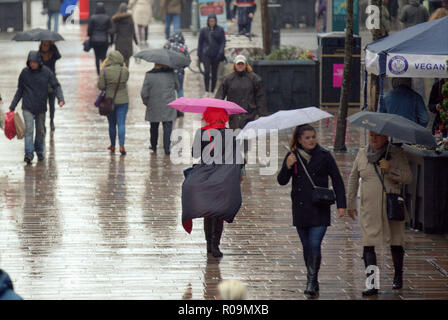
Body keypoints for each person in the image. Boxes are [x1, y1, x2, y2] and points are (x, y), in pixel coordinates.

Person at [277, 124, 346, 298]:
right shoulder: (292, 156)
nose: (311, 140)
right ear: (299, 139)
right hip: (300, 209)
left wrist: (341, 205)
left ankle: (310, 281)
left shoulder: (325, 156)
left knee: (315, 244)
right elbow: (282, 181)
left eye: (313, 137)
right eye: (307, 138)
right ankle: (313, 279)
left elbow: (337, 179)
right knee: (307, 246)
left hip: (320, 208)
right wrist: (287, 166)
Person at [347, 131, 412, 296]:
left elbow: (408, 177)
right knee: (368, 244)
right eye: (371, 136)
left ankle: (398, 276)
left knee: (396, 242)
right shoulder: (362, 153)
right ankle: (372, 283)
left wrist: (390, 170)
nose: (373, 139)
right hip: (369, 209)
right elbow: (353, 178)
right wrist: (350, 202)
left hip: (392, 207)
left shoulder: (396, 154)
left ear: (386, 137)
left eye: (377, 136)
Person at [190, 107, 243, 258]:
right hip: (223, 175)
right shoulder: (229, 134)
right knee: (219, 211)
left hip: (205, 175)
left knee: (208, 211)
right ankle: (215, 244)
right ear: (224, 117)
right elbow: (236, 156)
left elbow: (194, 154)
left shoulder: (202, 133)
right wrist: (240, 173)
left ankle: (208, 244)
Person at [9, 51, 65, 164]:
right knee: (29, 130)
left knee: (40, 131)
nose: (32, 64)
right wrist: (12, 106)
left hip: (41, 107)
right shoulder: (24, 73)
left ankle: (39, 151)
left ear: (39, 62)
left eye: (34, 62)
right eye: (30, 62)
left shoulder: (46, 72)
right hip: (28, 106)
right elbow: (20, 90)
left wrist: (60, 98)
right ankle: (29, 154)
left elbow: (56, 85)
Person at [215, 54, 267, 130]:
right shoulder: (228, 79)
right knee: (235, 135)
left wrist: (262, 114)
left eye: (242, 64)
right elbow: (220, 96)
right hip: (233, 114)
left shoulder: (254, 79)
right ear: (235, 65)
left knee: (246, 137)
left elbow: (260, 97)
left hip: (249, 112)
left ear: (246, 65)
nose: (240, 66)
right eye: (238, 64)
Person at [141, 63, 179, 155]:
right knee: (168, 127)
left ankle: (153, 146)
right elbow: (177, 86)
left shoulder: (149, 75)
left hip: (153, 104)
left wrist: (147, 102)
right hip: (168, 104)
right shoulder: (171, 74)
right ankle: (167, 148)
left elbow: (144, 93)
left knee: (154, 126)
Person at [98, 51, 130, 155]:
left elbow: (101, 86)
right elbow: (125, 81)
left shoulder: (105, 71)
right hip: (123, 100)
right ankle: (121, 145)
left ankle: (112, 145)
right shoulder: (125, 70)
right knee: (121, 123)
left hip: (109, 101)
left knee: (112, 124)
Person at [198, 12, 226, 97]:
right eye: (210, 21)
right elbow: (200, 43)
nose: (212, 23)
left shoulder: (220, 30)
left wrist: (220, 52)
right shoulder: (204, 30)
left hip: (216, 54)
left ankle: (213, 90)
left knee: (214, 73)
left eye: (213, 21)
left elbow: (222, 42)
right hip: (206, 54)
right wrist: (199, 55)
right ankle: (206, 90)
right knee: (206, 72)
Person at [164, 31, 189, 117]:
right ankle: (180, 110)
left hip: (169, 73)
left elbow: (163, 58)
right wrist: (182, 67)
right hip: (180, 73)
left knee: (170, 91)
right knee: (180, 89)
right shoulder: (183, 47)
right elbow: (188, 61)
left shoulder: (167, 46)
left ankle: (171, 110)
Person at [39, 41, 61, 131]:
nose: (45, 47)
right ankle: (43, 124)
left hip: (51, 83)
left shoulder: (53, 55)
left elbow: (59, 56)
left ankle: (51, 121)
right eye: (44, 45)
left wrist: (53, 45)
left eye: (47, 45)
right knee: (42, 106)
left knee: (52, 105)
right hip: (41, 84)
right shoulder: (38, 56)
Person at [87, 2, 112, 75]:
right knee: (104, 57)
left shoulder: (93, 17)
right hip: (104, 40)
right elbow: (111, 31)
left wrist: (90, 37)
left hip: (95, 40)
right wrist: (111, 41)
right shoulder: (107, 18)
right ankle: (104, 72)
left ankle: (98, 73)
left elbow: (89, 30)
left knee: (97, 57)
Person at [111, 3, 139, 68]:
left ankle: (121, 73)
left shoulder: (116, 19)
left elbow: (113, 31)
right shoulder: (130, 18)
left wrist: (111, 42)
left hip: (119, 42)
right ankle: (126, 72)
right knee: (127, 59)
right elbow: (133, 31)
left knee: (119, 59)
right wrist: (136, 42)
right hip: (128, 42)